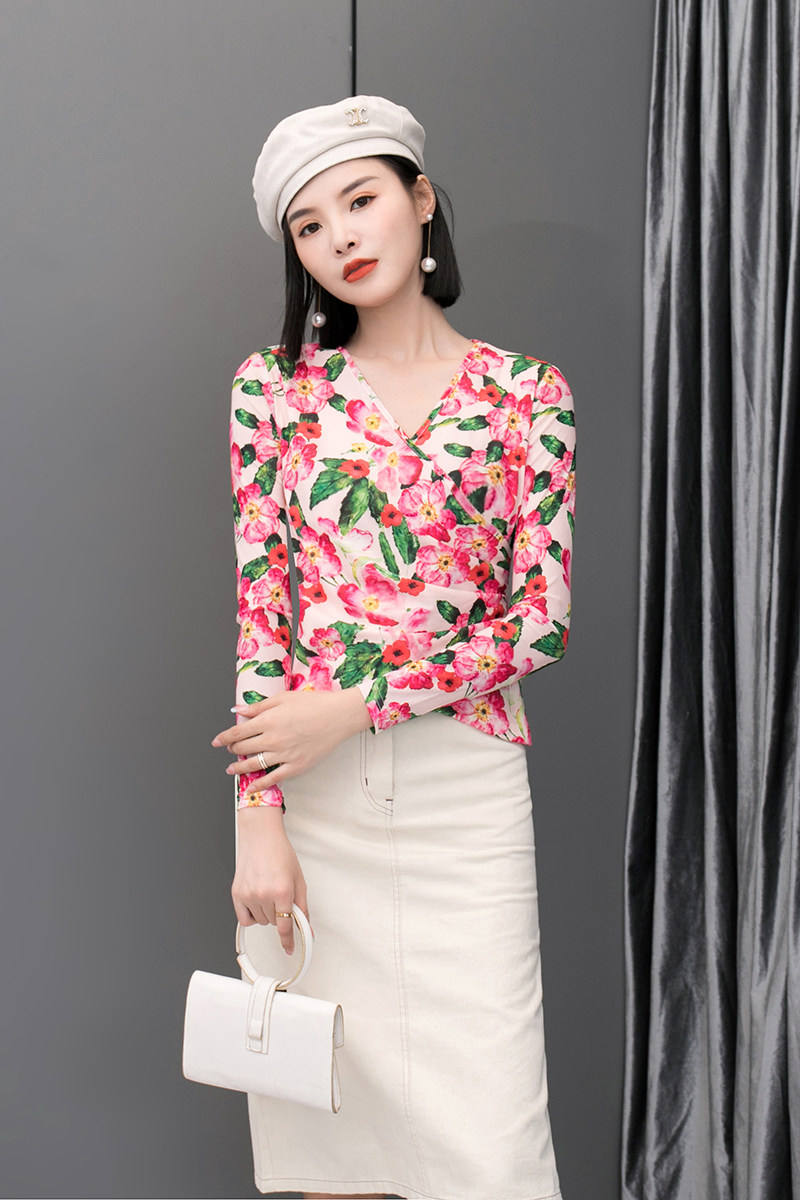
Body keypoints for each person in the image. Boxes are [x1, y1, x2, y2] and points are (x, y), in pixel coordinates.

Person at [210, 94, 575, 1200]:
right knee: (334, 1145)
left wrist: (357, 702)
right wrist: (258, 822)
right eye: (309, 225)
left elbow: (540, 621)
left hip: (466, 790)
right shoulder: (273, 391)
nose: (341, 237)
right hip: (311, 796)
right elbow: (262, 615)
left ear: (420, 202)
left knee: (493, 1148)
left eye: (360, 200)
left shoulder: (526, 395)